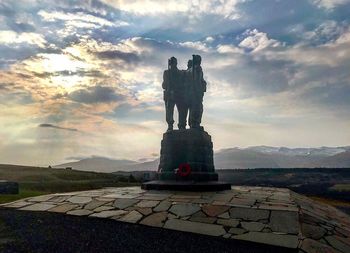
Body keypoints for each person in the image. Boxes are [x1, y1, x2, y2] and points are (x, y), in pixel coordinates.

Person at [162, 57, 187, 131]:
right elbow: (164, 85)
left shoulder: (181, 73)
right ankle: (171, 125)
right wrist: (167, 84)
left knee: (181, 111)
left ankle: (181, 125)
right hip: (170, 94)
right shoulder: (167, 73)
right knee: (170, 111)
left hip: (178, 94)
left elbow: (183, 84)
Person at [188, 55, 206, 129]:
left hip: (194, 92)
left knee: (195, 108)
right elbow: (197, 81)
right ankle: (194, 123)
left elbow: (199, 80)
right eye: (199, 60)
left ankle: (194, 123)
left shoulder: (193, 69)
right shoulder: (197, 68)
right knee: (197, 108)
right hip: (196, 92)